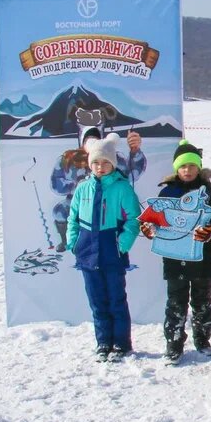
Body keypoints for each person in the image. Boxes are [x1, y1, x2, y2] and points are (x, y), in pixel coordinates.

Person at [140, 140, 211, 364]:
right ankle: (174, 343)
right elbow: (153, 221)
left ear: (198, 167)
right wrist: (149, 228)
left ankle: (202, 339)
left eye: (191, 166)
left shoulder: (210, 192)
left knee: (202, 301)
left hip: (202, 258)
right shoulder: (167, 192)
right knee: (176, 302)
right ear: (176, 169)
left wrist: (210, 232)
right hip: (174, 259)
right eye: (182, 166)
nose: (187, 170)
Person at [66, 134, 141, 362]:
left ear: (113, 164)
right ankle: (103, 342)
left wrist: (122, 244)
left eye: (105, 162)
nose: (100, 167)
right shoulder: (83, 189)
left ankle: (121, 343)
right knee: (97, 300)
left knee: (116, 299)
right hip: (88, 251)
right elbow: (73, 218)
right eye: (96, 163)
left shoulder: (122, 189)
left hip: (111, 250)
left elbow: (134, 219)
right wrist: (74, 242)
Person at [52, 124, 145, 252]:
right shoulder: (68, 159)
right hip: (79, 201)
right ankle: (67, 242)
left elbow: (132, 174)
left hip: (109, 206)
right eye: (89, 140)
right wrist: (75, 186)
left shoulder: (113, 158)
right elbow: (56, 184)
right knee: (60, 211)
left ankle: (116, 249)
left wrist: (135, 152)